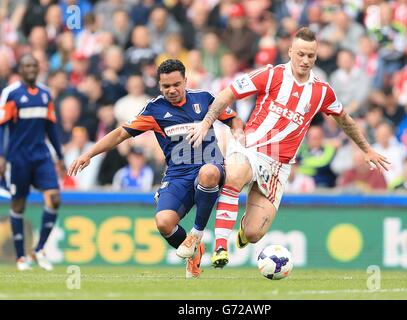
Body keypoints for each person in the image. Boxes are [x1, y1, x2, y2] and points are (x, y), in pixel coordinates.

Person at [187, 27, 390, 268]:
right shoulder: (271, 75)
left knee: (254, 234)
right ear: (290, 51)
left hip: (278, 166)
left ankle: (243, 231)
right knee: (234, 173)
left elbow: (345, 120)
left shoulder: (322, 91)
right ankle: (220, 246)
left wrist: (366, 149)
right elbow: (227, 94)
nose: (305, 60)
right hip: (249, 148)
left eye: (311, 56)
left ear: (316, 57)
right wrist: (206, 122)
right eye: (301, 54)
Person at [68, 59, 243, 278]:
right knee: (164, 223)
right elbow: (121, 133)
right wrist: (89, 154)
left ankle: (195, 235)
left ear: (185, 81)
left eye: (176, 84)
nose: (172, 90)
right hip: (178, 175)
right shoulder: (154, 109)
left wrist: (238, 133)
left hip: (210, 168)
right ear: (159, 85)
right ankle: (195, 251)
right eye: (166, 86)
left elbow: (234, 119)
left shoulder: (204, 98)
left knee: (208, 173)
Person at [0, 54, 65, 271]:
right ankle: (20, 257)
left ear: (38, 68)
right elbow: (2, 127)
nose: (30, 69)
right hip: (17, 158)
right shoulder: (11, 94)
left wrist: (60, 156)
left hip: (41, 156)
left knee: (54, 198)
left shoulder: (46, 94)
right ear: (20, 68)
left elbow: (51, 128)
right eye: (26, 65)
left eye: (34, 65)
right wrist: (1, 156)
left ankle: (38, 249)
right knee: (18, 204)